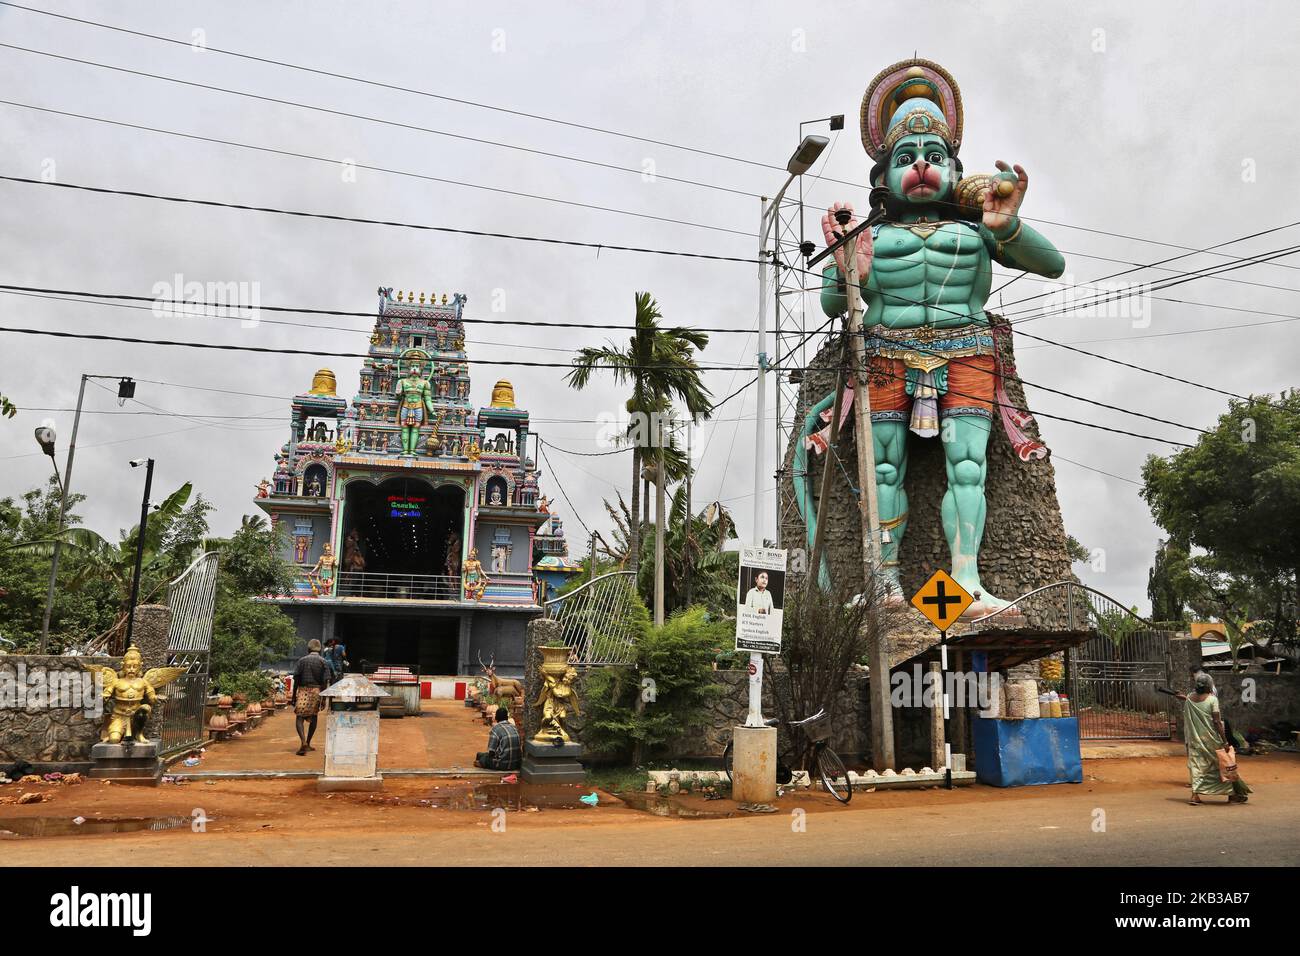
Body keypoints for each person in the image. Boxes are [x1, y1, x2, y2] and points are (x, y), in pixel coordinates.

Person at [1177, 673, 1251, 805]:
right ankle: (1231, 795)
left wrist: (1184, 697)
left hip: (1195, 740)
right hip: (1211, 739)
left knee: (1197, 766)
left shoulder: (1189, 698)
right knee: (1222, 766)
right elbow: (1217, 722)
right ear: (1209, 685)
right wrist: (1225, 741)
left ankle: (1195, 795)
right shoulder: (1212, 700)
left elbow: (1191, 704)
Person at [292, 639, 333, 757]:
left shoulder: (302, 660)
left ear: (308, 649)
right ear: (319, 650)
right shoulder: (323, 661)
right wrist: (324, 698)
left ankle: (303, 741)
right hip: (316, 691)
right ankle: (308, 743)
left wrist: (294, 695)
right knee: (314, 717)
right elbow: (325, 681)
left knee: (299, 717)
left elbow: (296, 679)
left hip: (303, 690)